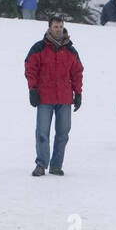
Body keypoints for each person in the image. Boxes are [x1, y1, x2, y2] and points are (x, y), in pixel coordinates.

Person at [25, 17, 83, 175]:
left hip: (64, 99)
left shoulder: (71, 51)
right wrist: (33, 89)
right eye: (55, 26)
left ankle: (56, 165)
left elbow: (77, 73)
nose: (58, 29)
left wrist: (78, 93)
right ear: (49, 28)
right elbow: (30, 68)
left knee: (63, 133)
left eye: (61, 26)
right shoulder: (39, 48)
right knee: (42, 132)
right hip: (45, 98)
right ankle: (41, 164)